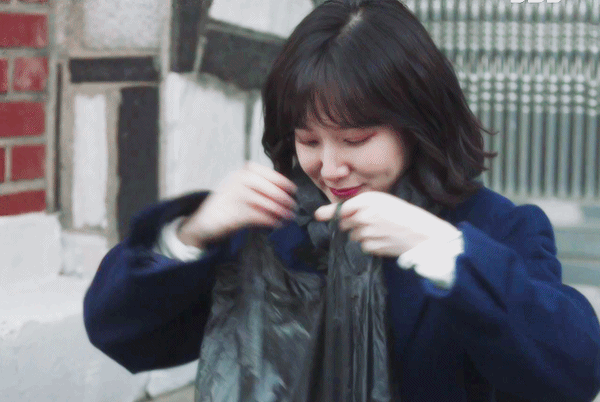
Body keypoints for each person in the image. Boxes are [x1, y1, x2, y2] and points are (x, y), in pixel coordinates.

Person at [83, 0, 600, 401]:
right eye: (308, 141)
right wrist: (190, 235)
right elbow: (119, 333)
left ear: (416, 124)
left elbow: (574, 373)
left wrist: (444, 252)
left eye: (355, 140)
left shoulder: (495, 228)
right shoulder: (274, 224)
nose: (330, 168)